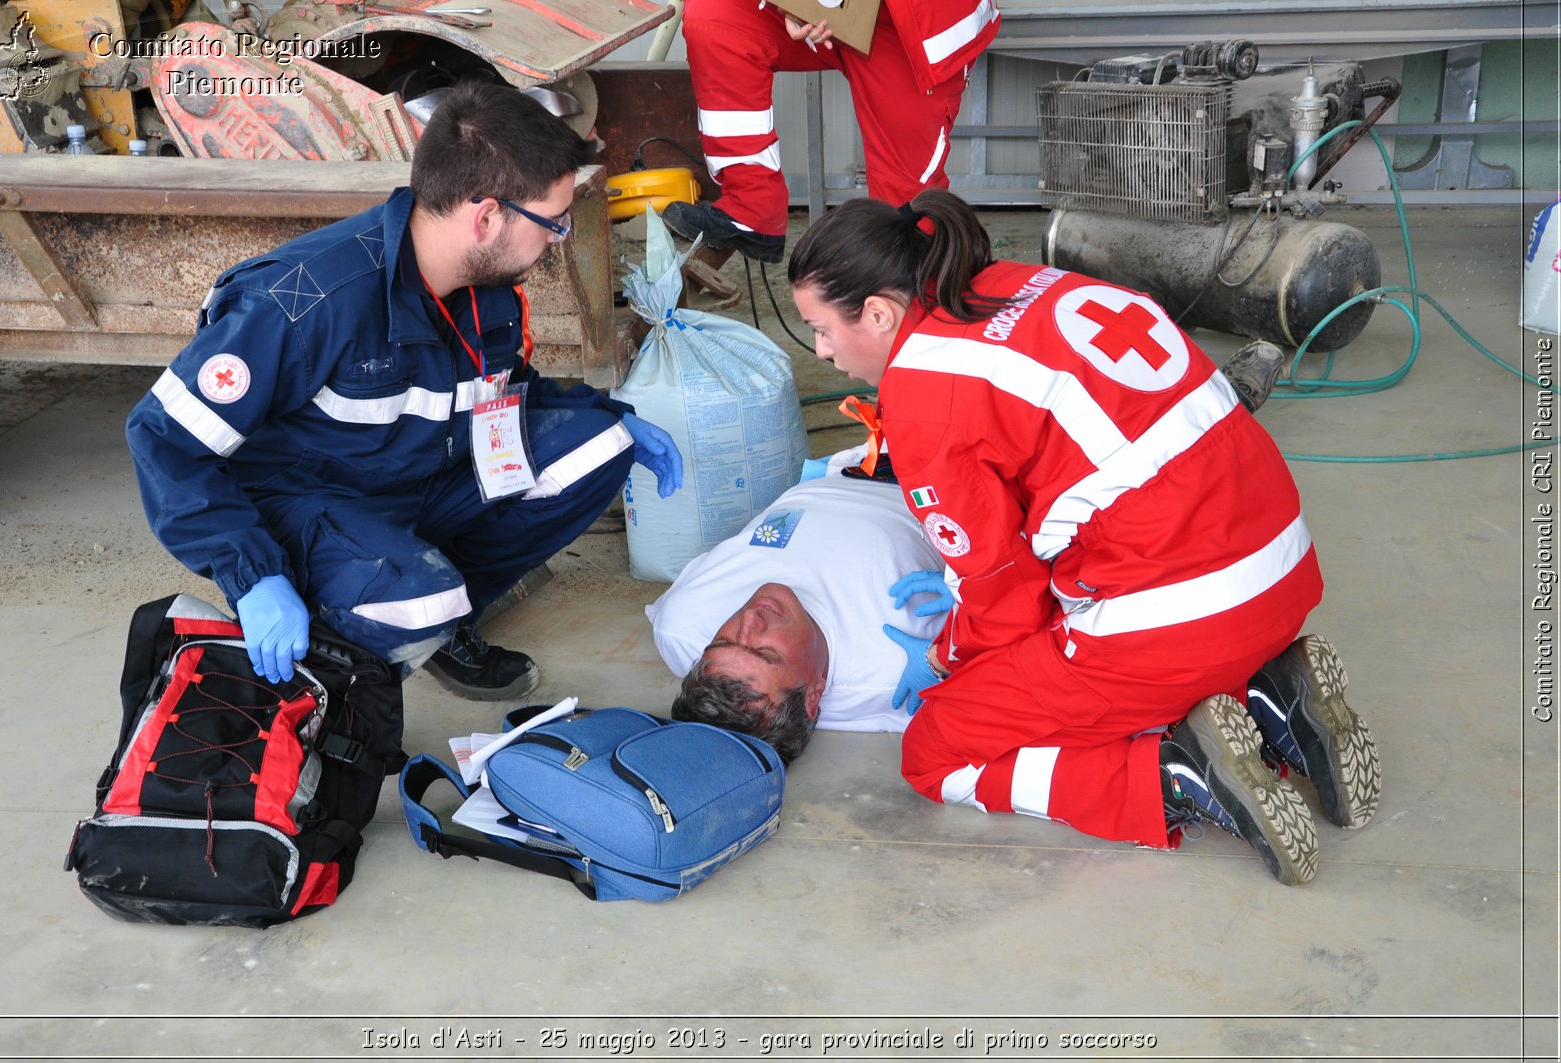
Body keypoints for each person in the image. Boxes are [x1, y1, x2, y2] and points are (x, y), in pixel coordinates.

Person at [784, 189, 1381, 884]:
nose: (823, 352)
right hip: (1280, 566)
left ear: (880, 313)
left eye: (821, 328)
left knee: (937, 747)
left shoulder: (923, 397)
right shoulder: (1017, 282)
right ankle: (1274, 699)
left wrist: (952, 655)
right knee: (1089, 610)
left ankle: (1174, 773)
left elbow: (1004, 604)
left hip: (1186, 615)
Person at [126, 81, 683, 700]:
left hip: (420, 477)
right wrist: (252, 575)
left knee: (601, 443)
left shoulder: (486, 289)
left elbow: (498, 393)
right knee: (419, 603)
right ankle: (340, 648)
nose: (558, 240)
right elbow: (162, 438)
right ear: (487, 216)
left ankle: (441, 616)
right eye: (553, 223)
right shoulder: (307, 301)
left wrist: (607, 414)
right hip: (313, 505)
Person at [649, 455, 947, 761]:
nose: (750, 619)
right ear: (813, 695)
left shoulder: (682, 625)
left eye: (723, 641)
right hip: (942, 477)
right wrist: (951, 649)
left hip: (845, 464)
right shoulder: (890, 667)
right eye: (766, 654)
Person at [662, 0, 1001, 263]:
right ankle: (752, 208)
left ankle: (918, 324)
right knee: (718, 15)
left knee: (906, 221)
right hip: (834, 12)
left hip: (912, 25)